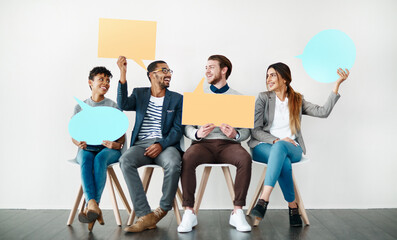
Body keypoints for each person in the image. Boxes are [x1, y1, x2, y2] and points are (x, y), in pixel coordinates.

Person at [248, 62, 349, 226]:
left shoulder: (297, 100)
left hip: (292, 147)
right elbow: (256, 130)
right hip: (264, 146)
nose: (268, 79)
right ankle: (292, 206)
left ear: (285, 79)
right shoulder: (263, 98)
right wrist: (276, 140)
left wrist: (337, 84)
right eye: (267, 75)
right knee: (282, 157)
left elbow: (323, 112)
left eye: (272, 75)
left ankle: (263, 200)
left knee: (281, 148)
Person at [178, 55, 252, 233]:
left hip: (229, 145)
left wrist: (236, 134)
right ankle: (189, 212)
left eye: (211, 67)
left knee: (245, 158)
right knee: (187, 157)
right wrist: (197, 133)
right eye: (206, 67)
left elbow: (247, 132)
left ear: (224, 70)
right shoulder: (198, 96)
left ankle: (237, 211)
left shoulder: (239, 98)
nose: (207, 71)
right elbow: (186, 126)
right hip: (202, 144)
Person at [116, 56, 184, 233]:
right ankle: (145, 215)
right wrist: (123, 72)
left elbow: (177, 130)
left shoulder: (177, 99)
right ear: (152, 75)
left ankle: (162, 209)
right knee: (125, 160)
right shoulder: (140, 94)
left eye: (170, 71)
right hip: (141, 145)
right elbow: (122, 104)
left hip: (166, 145)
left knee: (173, 163)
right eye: (164, 70)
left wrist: (161, 145)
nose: (168, 74)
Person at [72, 66, 125, 231]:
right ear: (90, 82)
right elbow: (74, 133)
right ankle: (93, 206)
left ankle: (92, 206)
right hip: (87, 148)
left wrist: (115, 144)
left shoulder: (113, 106)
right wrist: (78, 142)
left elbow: (121, 134)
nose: (106, 83)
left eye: (108, 80)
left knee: (100, 159)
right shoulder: (80, 106)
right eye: (101, 79)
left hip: (107, 149)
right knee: (87, 159)